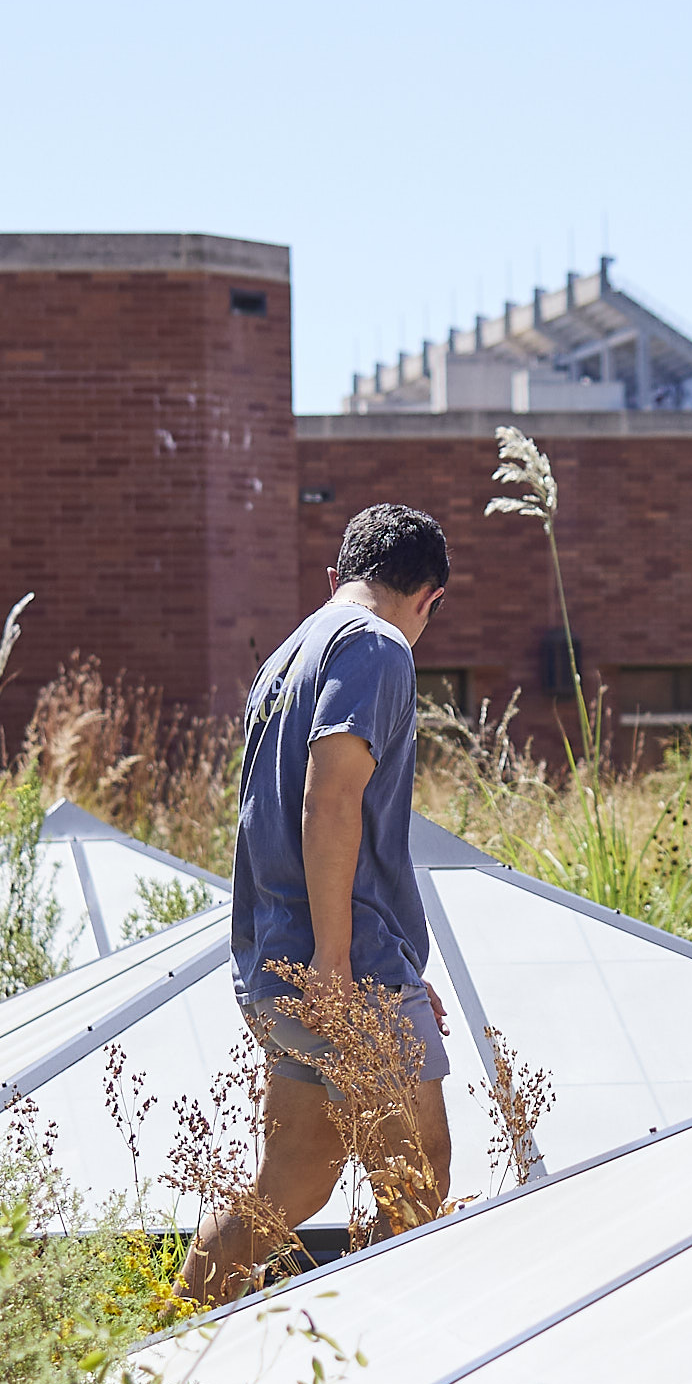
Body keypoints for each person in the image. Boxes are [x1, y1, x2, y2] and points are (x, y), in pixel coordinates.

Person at [182, 506, 452, 1305]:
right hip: (341, 967)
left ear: (335, 579)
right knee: (418, 1177)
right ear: (429, 598)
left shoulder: (287, 657)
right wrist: (341, 962)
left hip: (277, 961)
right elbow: (329, 798)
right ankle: (387, 1367)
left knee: (290, 1187)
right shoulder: (377, 645)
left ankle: (168, 1336)